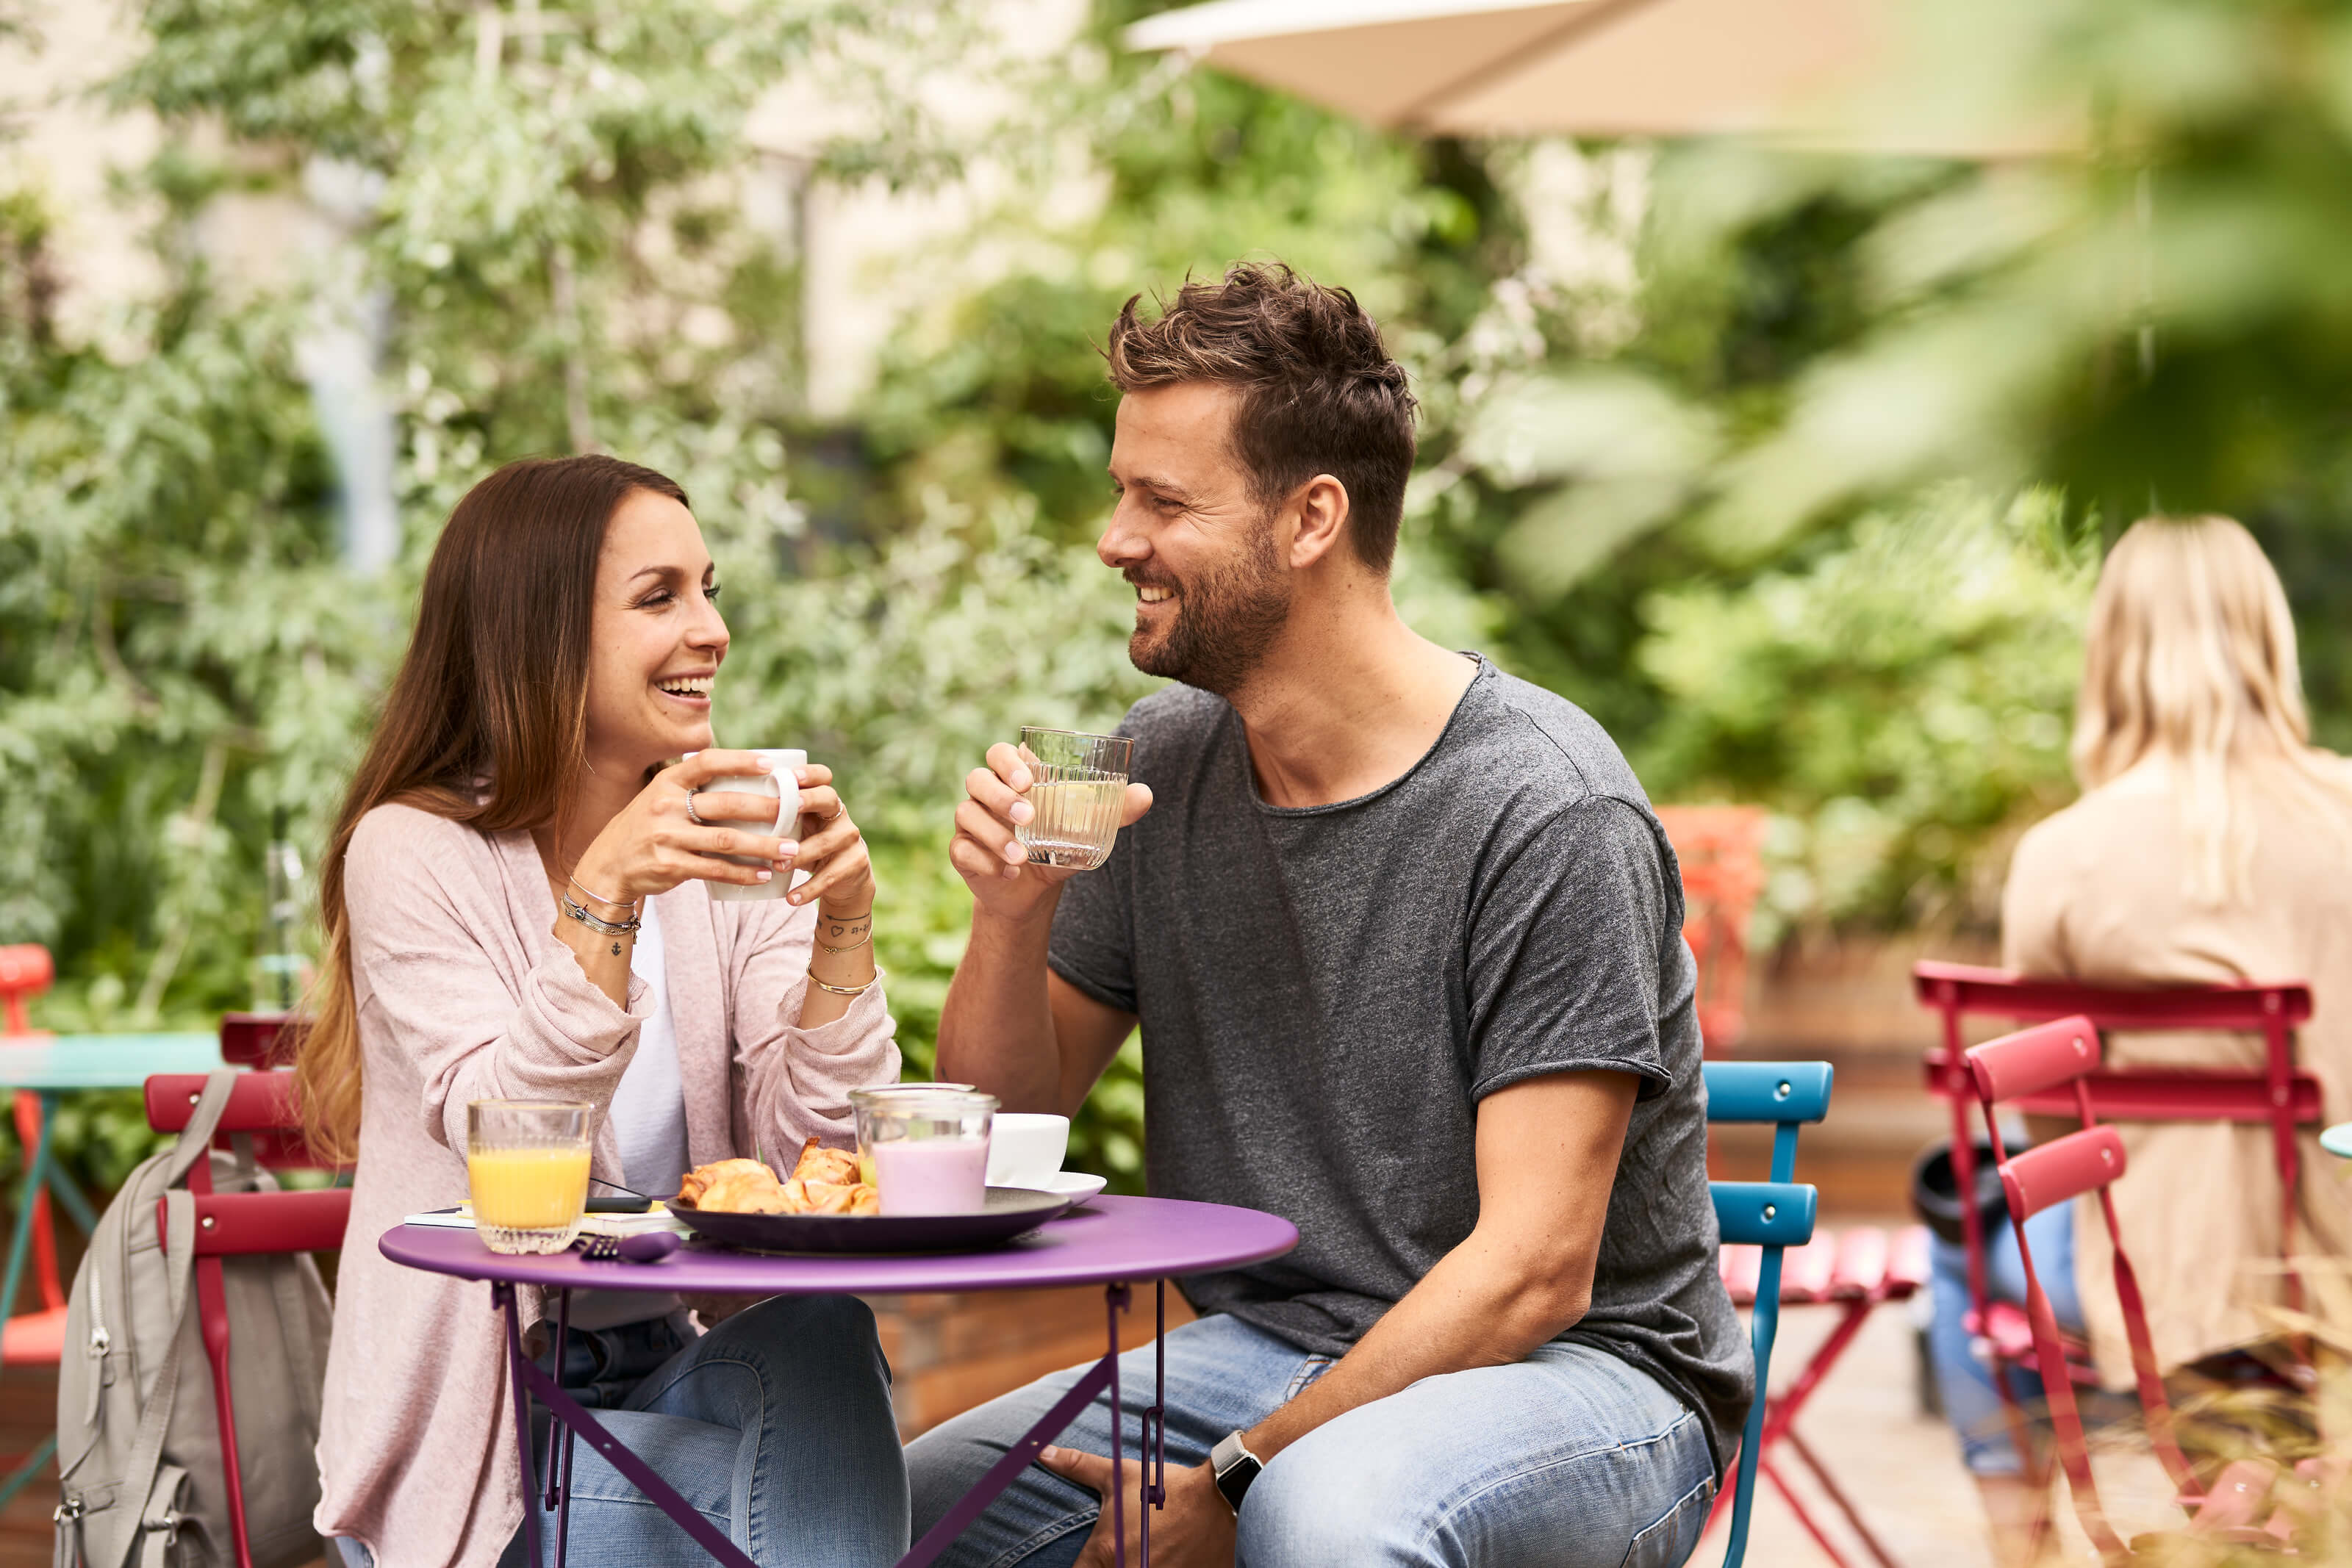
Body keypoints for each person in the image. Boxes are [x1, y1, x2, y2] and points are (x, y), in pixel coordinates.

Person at [911, 263, 1750, 1568]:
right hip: (1273, 1349)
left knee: (1324, 1519)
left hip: (1588, 1380)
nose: (1112, 538)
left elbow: (1534, 1269)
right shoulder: (1159, 766)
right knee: (909, 1511)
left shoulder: (1546, 807)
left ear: (1312, 517)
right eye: (1122, 489)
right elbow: (1005, 1144)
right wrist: (1011, 915)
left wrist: (1244, 1473)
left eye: (1162, 499)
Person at [298, 456, 909, 1568]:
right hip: (493, 1426)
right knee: (807, 1520)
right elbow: (502, 1133)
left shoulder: (724, 850)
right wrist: (602, 898)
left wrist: (844, 926)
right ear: (542, 637)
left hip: (674, 1364)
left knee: (823, 1335)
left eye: (710, 587)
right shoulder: (415, 851)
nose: (713, 628)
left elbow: (812, 1156)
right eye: (660, 596)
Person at [1926, 514, 2352, 1557]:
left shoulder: (2065, 853)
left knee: (1963, 1251)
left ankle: (2023, 1546)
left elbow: (2038, 1119)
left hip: (2148, 1265)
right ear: (2267, 639)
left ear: (2110, 653)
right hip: (2334, 1252)